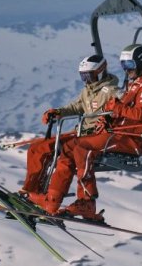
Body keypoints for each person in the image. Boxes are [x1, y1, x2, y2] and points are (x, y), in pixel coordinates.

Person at [28, 44, 142, 221]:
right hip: (118, 132)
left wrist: (117, 108)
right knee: (68, 149)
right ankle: (51, 201)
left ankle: (87, 202)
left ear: (141, 63)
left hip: (132, 139)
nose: (126, 70)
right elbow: (119, 111)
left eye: (129, 65)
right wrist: (108, 117)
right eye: (123, 65)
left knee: (83, 147)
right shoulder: (135, 84)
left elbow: (140, 114)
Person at [20, 54, 119, 196]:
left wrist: (109, 119)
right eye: (83, 77)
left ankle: (39, 194)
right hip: (81, 131)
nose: (86, 80)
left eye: (89, 76)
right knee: (37, 148)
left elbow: (120, 110)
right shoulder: (88, 90)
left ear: (100, 72)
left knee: (52, 151)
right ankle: (31, 189)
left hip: (92, 136)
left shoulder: (111, 91)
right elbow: (76, 106)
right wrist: (58, 112)